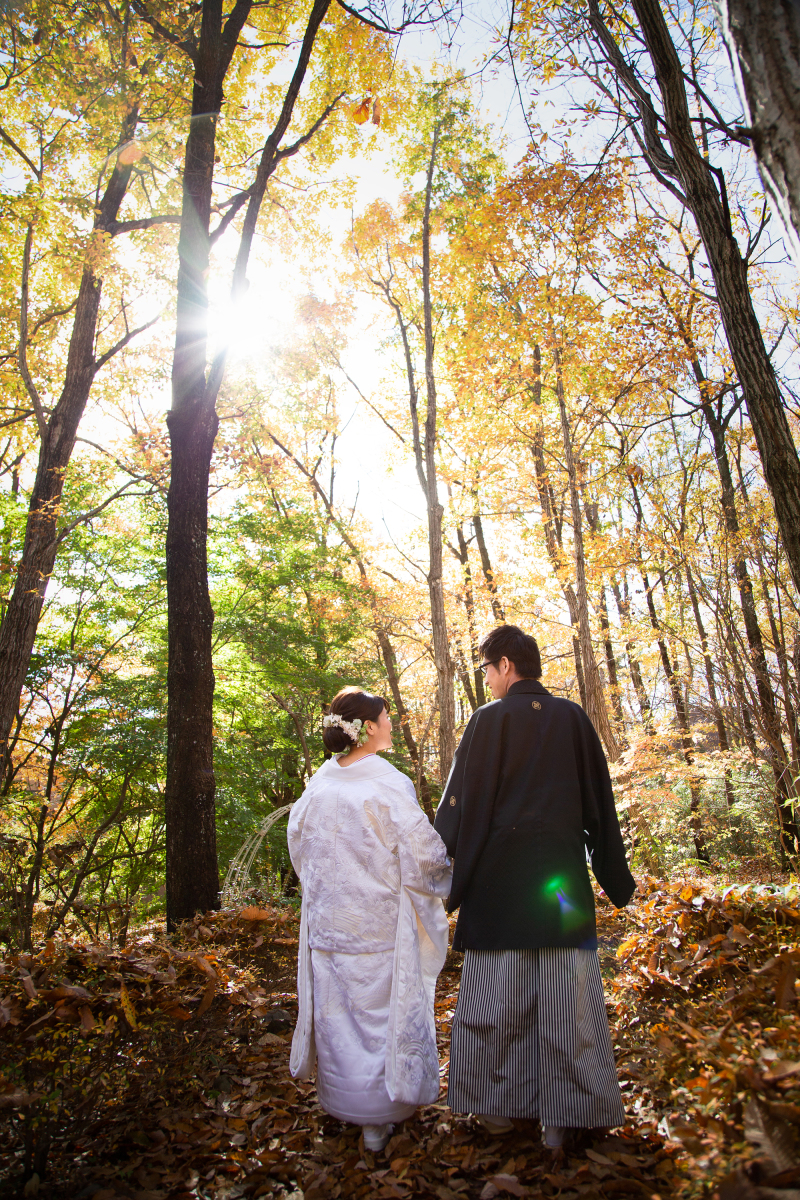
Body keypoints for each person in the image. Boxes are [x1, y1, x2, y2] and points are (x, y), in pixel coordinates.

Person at [434, 624, 636, 1149]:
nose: (487, 679)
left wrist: (438, 865)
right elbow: (601, 804)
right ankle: (562, 1120)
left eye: (486, 669)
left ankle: (499, 1113)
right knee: (569, 998)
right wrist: (615, 878)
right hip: (562, 887)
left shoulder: (488, 721)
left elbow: (461, 803)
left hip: (499, 885)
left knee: (496, 1002)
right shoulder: (573, 718)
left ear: (505, 665)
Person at [288, 686, 452, 1153]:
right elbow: (421, 853)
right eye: (386, 716)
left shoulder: (319, 783)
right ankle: (380, 1115)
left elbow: (299, 846)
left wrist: (325, 889)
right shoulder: (386, 782)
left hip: (330, 923)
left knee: (340, 1018)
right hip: (377, 923)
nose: (392, 723)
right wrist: (446, 880)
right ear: (368, 728)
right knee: (379, 1015)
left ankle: (347, 1107)